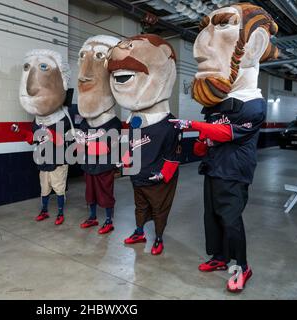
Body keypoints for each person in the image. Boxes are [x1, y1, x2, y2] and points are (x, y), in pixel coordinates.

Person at [170, 3, 278, 292]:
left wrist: (194, 127)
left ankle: (242, 266)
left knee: (231, 219)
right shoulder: (218, 104)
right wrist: (202, 144)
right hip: (214, 169)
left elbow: (226, 132)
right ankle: (219, 257)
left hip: (234, 172)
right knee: (212, 216)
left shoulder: (254, 105)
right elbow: (212, 136)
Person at [107, 34, 182, 255]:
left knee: (159, 209)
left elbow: (174, 155)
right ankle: (139, 231)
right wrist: (123, 162)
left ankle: (158, 238)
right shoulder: (135, 122)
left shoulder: (171, 124)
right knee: (139, 207)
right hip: (138, 175)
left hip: (157, 179)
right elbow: (132, 146)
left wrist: (162, 175)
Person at [15, 49, 73, 226]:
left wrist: (51, 135)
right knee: (44, 189)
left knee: (59, 188)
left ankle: (61, 213)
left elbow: (68, 141)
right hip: (43, 161)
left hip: (59, 161)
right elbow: (33, 138)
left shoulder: (63, 118)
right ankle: (44, 210)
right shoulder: (38, 119)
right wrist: (20, 132)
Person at [76, 35, 122, 234]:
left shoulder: (114, 123)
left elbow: (108, 146)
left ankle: (109, 220)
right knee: (90, 194)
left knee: (106, 194)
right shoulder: (85, 122)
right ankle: (93, 217)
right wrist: (82, 140)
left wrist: (87, 141)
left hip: (104, 166)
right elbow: (81, 141)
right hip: (89, 164)